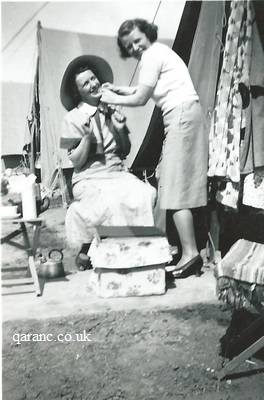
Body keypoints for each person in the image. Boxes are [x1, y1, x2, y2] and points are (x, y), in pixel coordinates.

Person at [101, 19, 208, 278]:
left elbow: (140, 99)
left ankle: (190, 254)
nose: (135, 48)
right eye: (129, 46)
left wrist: (108, 97)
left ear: (147, 35)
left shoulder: (151, 55)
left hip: (180, 115)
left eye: (137, 40)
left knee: (173, 185)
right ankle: (183, 249)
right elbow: (144, 89)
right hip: (184, 114)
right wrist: (118, 89)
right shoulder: (159, 52)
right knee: (169, 179)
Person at [60, 55, 156, 270]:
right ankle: (107, 255)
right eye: (85, 83)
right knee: (112, 202)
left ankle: (138, 252)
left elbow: (125, 150)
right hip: (88, 177)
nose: (93, 84)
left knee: (146, 193)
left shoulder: (112, 109)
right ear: (78, 92)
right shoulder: (73, 118)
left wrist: (121, 130)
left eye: (93, 79)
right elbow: (75, 161)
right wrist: (85, 138)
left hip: (117, 173)